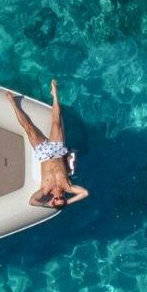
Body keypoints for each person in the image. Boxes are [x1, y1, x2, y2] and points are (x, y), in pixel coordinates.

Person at [10, 80, 89, 209]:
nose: (58, 196)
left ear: (53, 200)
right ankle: (55, 94)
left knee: (28, 128)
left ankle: (13, 103)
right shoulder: (67, 187)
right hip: (57, 151)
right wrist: (68, 202)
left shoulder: (46, 189)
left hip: (44, 154)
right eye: (61, 198)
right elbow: (84, 193)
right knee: (56, 122)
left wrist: (47, 205)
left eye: (56, 199)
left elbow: (32, 201)